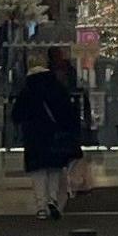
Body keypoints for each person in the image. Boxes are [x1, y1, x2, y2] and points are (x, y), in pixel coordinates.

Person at [6, 56, 87, 220]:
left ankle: (41, 206)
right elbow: (69, 114)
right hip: (55, 138)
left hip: (34, 139)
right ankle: (53, 200)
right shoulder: (57, 87)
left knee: (38, 173)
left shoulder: (27, 90)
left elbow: (17, 115)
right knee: (54, 171)